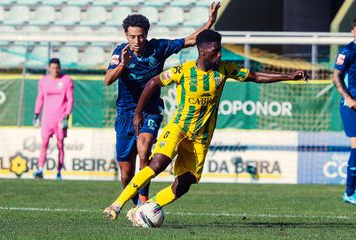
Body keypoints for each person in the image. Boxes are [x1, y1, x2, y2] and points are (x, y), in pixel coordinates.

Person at [103, 29, 309, 223]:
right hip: (178, 127)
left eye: (219, 50)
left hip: (200, 137)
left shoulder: (225, 69)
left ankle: (145, 209)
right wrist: (138, 113)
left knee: (183, 184)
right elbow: (152, 83)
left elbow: (255, 77)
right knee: (157, 163)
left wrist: (289, 76)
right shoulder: (182, 71)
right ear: (202, 53)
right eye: (215, 52)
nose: (219, 55)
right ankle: (117, 205)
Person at [104, 2, 221, 205]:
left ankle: (143, 200)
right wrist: (123, 64)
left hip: (150, 110)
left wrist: (210, 21)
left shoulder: (158, 47)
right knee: (125, 172)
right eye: (132, 37)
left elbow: (191, 40)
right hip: (124, 113)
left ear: (146, 34)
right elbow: (107, 80)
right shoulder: (120, 52)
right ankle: (134, 203)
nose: (137, 41)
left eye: (141, 36)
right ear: (126, 36)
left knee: (145, 147)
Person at [33, 58, 74, 180]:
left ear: (59, 68)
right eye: (52, 68)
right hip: (47, 119)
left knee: (60, 145)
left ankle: (59, 172)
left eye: (57, 68)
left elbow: (70, 99)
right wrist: (36, 114)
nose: (55, 70)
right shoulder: (43, 81)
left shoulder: (66, 80)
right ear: (48, 68)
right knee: (44, 143)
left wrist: (67, 115)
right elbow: (40, 98)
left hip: (60, 118)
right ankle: (40, 169)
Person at [332, 18, 356, 204]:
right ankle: (349, 192)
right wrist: (348, 98)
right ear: (352, 31)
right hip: (350, 106)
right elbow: (336, 77)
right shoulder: (347, 51)